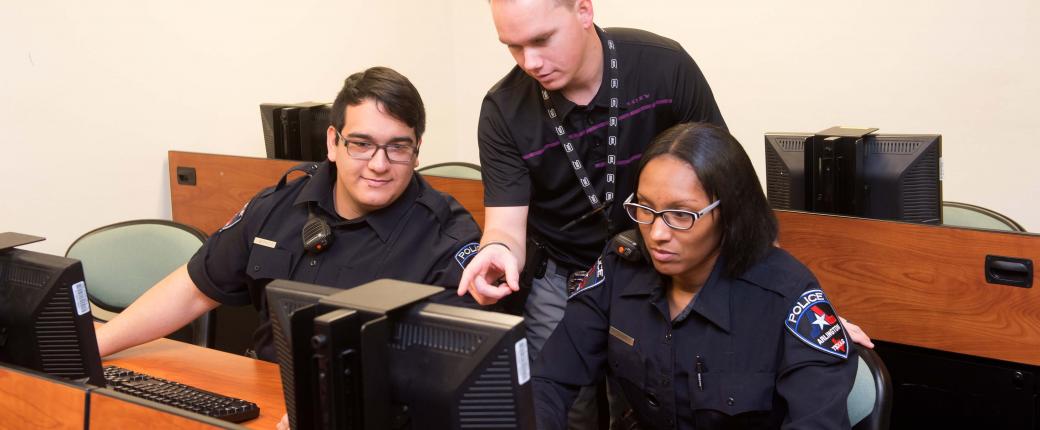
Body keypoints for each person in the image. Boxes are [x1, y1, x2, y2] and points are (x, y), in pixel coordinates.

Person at [95, 66, 482, 361]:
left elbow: (450, 367)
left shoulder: (447, 238)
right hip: (262, 394)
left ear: (417, 151)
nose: (379, 164)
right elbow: (195, 288)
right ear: (333, 142)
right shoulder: (278, 206)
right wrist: (96, 344)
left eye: (398, 147)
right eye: (362, 144)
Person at [533, 123, 859, 429]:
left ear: (730, 213)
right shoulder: (622, 267)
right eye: (645, 209)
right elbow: (550, 378)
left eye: (681, 215)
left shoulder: (787, 296)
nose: (657, 233)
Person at [458, 0, 727, 358]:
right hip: (558, 275)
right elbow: (505, 228)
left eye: (541, 40)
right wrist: (496, 251)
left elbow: (723, 178)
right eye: (514, 46)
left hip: (651, 265)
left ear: (584, 10)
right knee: (560, 402)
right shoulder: (502, 109)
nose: (530, 62)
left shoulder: (664, 66)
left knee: (644, 396)